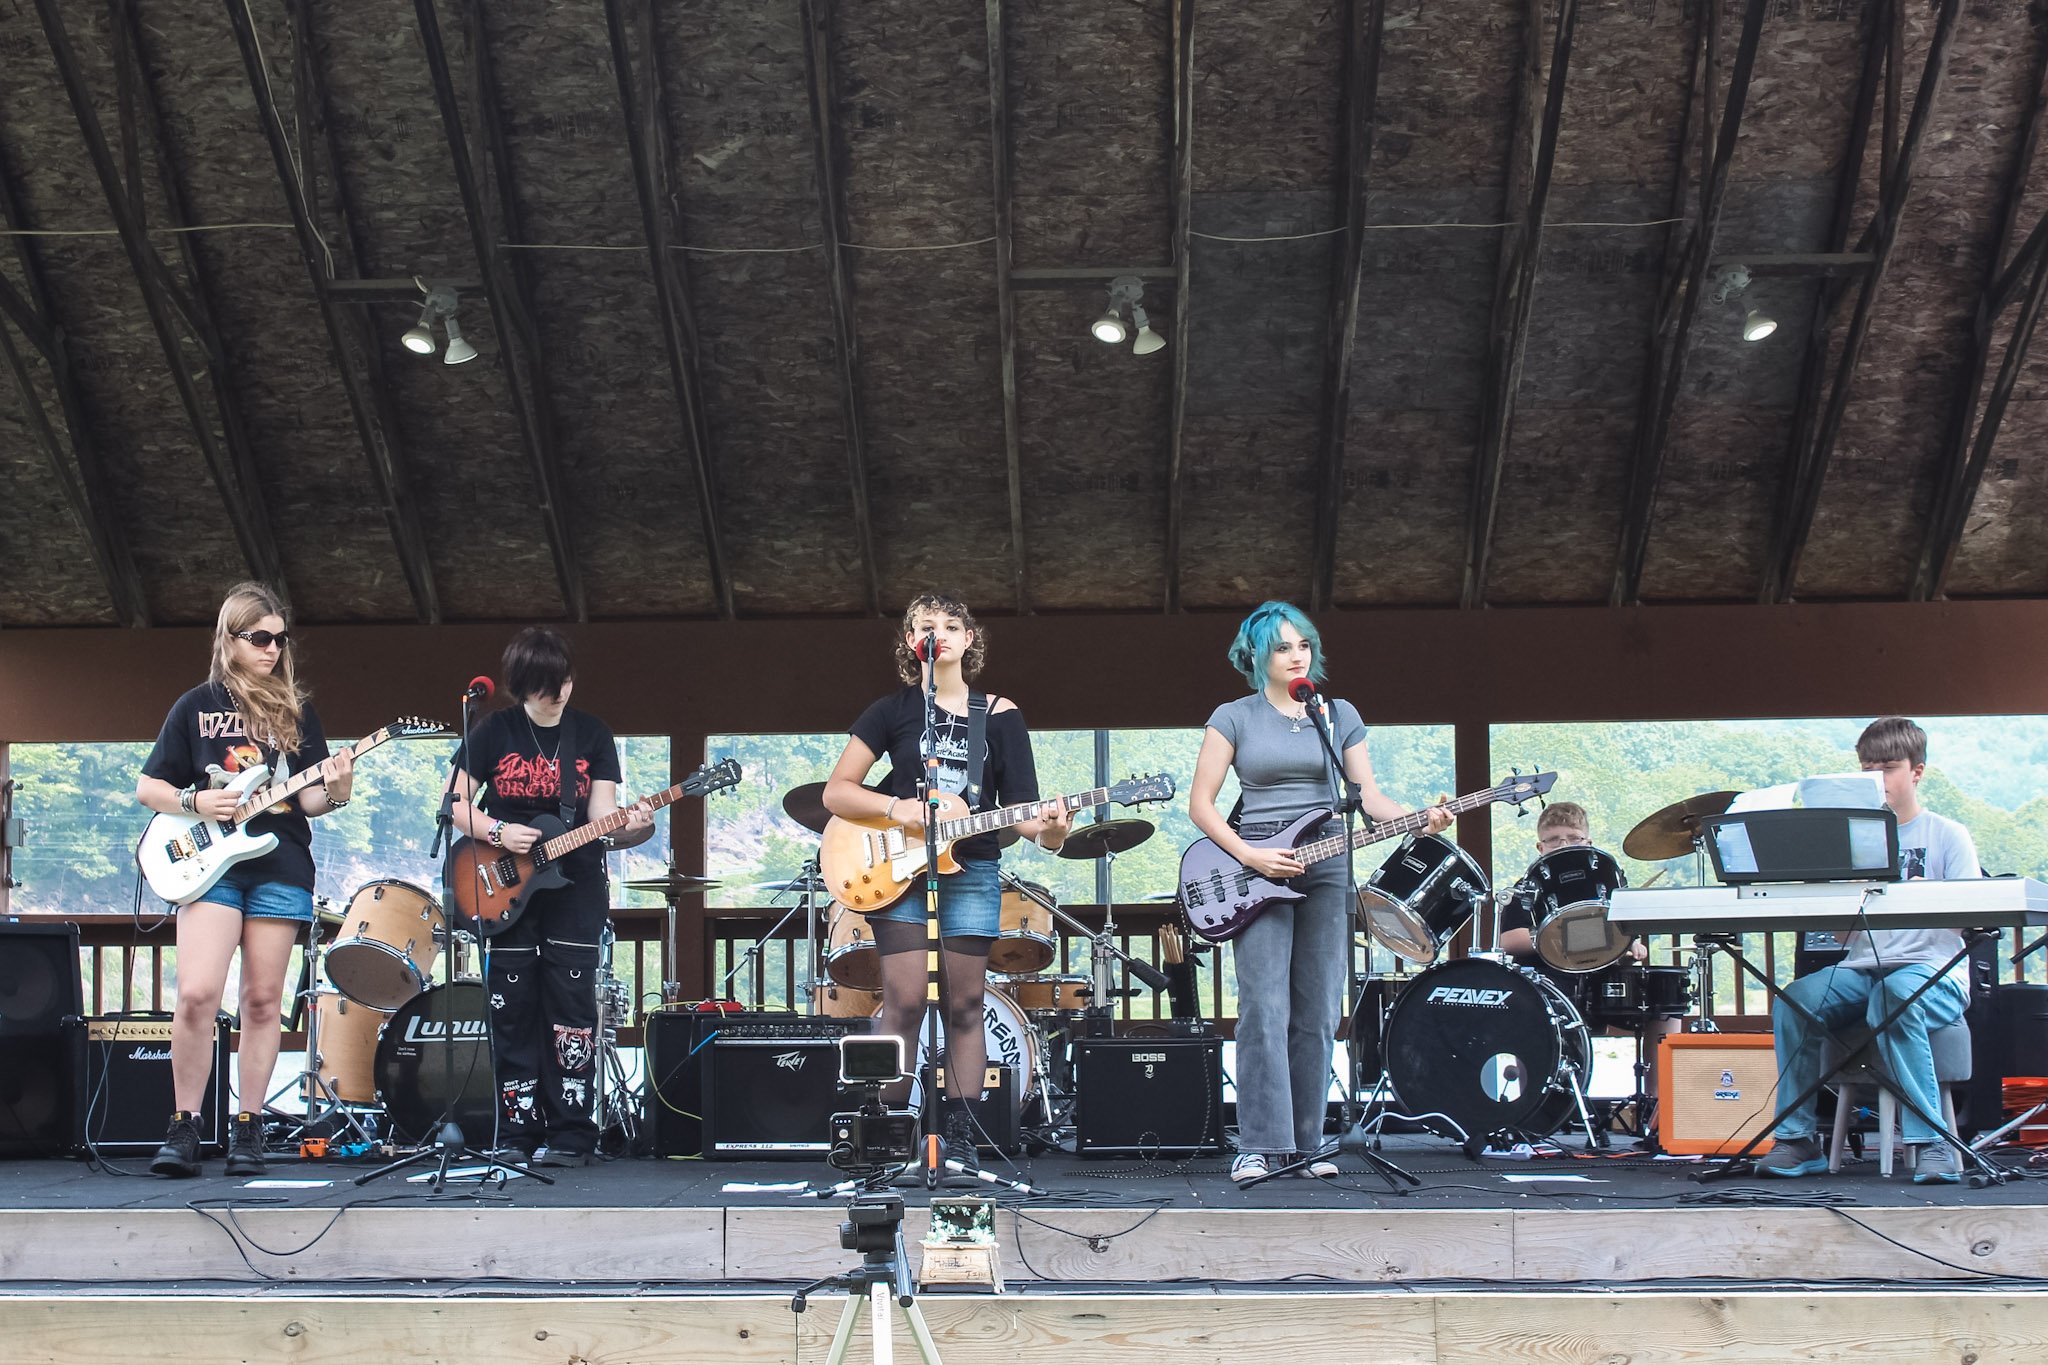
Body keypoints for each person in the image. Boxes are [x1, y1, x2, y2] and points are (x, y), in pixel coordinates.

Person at [1187, 601, 1450, 1185]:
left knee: (1317, 1010)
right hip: (1258, 864)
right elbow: (1200, 804)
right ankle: (1260, 1143)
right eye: (1281, 646)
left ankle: (1306, 1143)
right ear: (1256, 655)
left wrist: (1417, 817)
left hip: (1328, 862)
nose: (1295, 654)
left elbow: (1369, 795)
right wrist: (1249, 854)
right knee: (1263, 1006)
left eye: (1302, 643)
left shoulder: (1337, 714)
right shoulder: (1232, 716)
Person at [821, 592, 1071, 1168]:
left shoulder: (1001, 714)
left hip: (973, 868)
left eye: (953, 625)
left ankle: (957, 1139)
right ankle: (886, 1133)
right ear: (912, 642)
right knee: (903, 1001)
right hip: (898, 871)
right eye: (927, 625)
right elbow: (837, 792)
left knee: (965, 1003)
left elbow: (1029, 816)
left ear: (970, 640)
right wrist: (897, 809)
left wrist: (1054, 832)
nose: (942, 632)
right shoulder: (892, 710)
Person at [137, 582, 356, 1178]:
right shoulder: (195, 705)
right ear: (229, 639)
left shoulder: (297, 713)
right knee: (197, 995)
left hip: (280, 862)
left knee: (262, 1001)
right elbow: (147, 787)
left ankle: (249, 1127)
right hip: (211, 868)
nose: (273, 651)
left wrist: (337, 789)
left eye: (280, 641)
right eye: (261, 639)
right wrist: (196, 801)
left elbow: (309, 798)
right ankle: (183, 1126)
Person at [445, 627, 653, 1165]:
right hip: (500, 880)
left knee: (571, 1007)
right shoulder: (493, 731)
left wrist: (635, 827)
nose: (557, 694)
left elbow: (602, 819)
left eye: (563, 681)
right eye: (544, 686)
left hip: (576, 883)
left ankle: (571, 1133)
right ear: (522, 686)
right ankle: (516, 1133)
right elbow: (454, 806)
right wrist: (496, 833)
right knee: (511, 1008)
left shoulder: (591, 734)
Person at [1759, 716, 1980, 1185]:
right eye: (1868, 769)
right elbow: (1840, 938)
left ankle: (1931, 1141)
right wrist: (1838, 890)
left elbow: (1972, 915)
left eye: (1889, 768)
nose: (1878, 779)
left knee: (1894, 995)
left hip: (1932, 969)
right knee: (1795, 1001)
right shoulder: (1850, 844)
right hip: (1862, 967)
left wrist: (1916, 895)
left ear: (1916, 772)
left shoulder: (1947, 835)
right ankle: (1797, 1139)